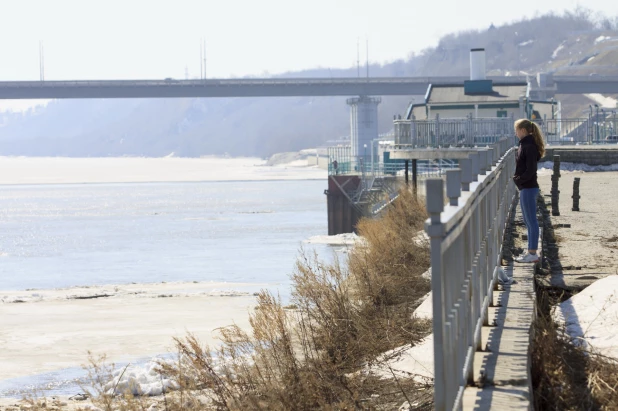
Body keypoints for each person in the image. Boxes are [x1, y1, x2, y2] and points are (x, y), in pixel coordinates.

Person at [512, 119, 545, 263]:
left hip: (529, 187)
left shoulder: (528, 146)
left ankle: (532, 253)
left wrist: (518, 180)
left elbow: (531, 169)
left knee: (531, 220)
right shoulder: (525, 144)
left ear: (523, 131)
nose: (515, 133)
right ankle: (530, 252)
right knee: (528, 220)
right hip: (526, 187)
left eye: (517, 130)